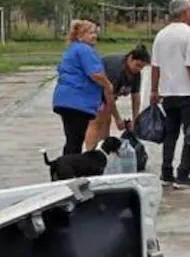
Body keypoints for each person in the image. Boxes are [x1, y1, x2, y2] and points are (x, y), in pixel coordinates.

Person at [150, 0, 190, 188]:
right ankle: (183, 173)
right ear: (185, 12)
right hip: (187, 93)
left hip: (168, 93)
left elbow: (155, 67)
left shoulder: (161, 35)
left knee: (170, 134)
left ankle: (166, 172)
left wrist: (154, 90)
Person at [52, 20, 117, 156]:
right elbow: (95, 73)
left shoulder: (72, 49)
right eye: (90, 33)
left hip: (65, 99)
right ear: (80, 36)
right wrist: (108, 85)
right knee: (75, 140)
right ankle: (69, 170)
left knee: (72, 138)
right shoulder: (84, 50)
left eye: (95, 33)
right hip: (77, 101)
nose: (94, 36)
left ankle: (67, 168)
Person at [83, 45, 150, 151]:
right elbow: (109, 96)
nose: (139, 69)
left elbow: (136, 98)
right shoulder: (117, 69)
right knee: (96, 121)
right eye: (137, 65)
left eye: (142, 67)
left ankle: (104, 152)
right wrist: (118, 119)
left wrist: (136, 120)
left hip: (106, 95)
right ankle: (90, 153)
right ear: (130, 58)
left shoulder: (136, 74)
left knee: (106, 120)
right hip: (92, 90)